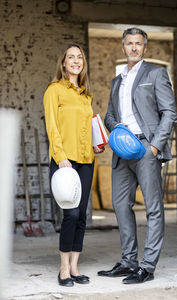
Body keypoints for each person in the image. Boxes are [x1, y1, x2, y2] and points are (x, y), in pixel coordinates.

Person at [98, 28, 177, 284]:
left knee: (153, 209)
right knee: (121, 206)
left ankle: (148, 266)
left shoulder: (155, 73)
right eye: (129, 43)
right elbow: (110, 114)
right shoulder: (116, 80)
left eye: (138, 44)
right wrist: (115, 129)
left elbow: (169, 113)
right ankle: (129, 260)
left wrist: (154, 147)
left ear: (145, 47)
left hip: (146, 149)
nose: (133, 48)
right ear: (123, 47)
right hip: (122, 151)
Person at [43, 43, 104, 287]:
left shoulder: (86, 95)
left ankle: (76, 267)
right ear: (63, 63)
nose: (76, 61)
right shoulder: (54, 90)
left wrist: (97, 143)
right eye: (71, 57)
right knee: (70, 214)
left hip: (86, 160)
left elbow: (87, 127)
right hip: (64, 161)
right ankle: (63, 269)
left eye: (80, 57)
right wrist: (61, 157)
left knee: (81, 217)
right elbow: (52, 127)